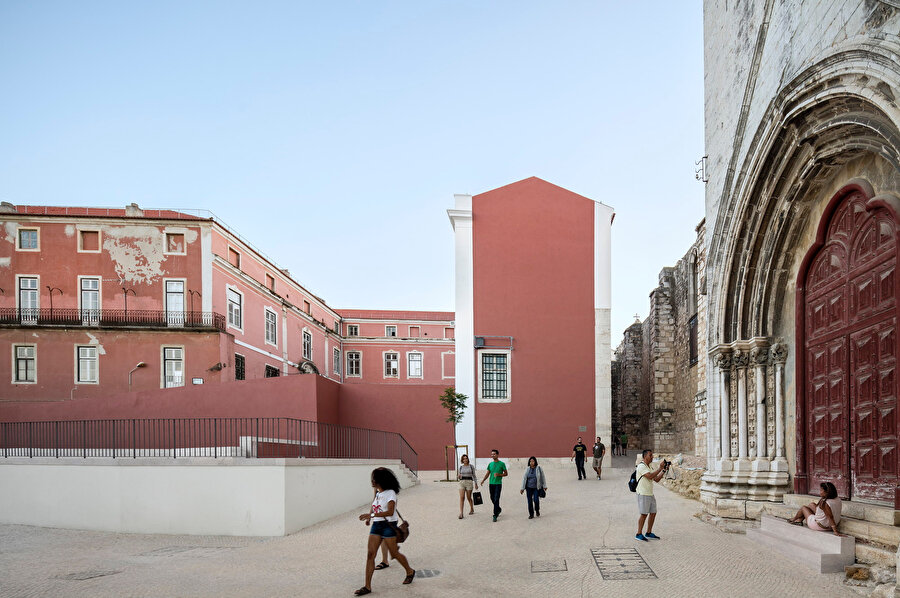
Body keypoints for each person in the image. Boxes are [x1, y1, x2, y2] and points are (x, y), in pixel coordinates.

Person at [355, 467, 415, 596]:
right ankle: (367, 586)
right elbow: (374, 506)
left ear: (381, 480)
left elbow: (390, 512)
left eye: (374, 479)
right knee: (370, 555)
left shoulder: (390, 493)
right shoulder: (378, 493)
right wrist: (370, 517)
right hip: (376, 526)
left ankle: (410, 571)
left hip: (388, 526)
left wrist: (370, 516)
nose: (372, 481)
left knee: (394, 554)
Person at [634, 449, 666, 542]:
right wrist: (659, 468)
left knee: (653, 513)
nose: (652, 457)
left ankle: (648, 532)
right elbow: (650, 476)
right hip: (643, 493)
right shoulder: (641, 466)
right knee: (644, 514)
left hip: (650, 493)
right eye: (650, 455)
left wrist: (663, 470)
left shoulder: (650, 466)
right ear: (645, 457)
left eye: (652, 455)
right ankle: (639, 533)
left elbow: (656, 479)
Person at [480, 449, 508, 522]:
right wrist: (483, 480)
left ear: (497, 455)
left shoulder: (502, 464)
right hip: (491, 484)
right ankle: (498, 509)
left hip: (498, 484)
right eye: (492, 454)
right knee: (492, 498)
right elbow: (488, 473)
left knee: (496, 498)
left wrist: (499, 474)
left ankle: (495, 515)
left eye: (494, 454)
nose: (493, 455)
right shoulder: (490, 464)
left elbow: (506, 473)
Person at [457, 453, 478, 519]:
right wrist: (459, 476)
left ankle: (472, 508)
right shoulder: (460, 467)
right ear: (462, 460)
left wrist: (476, 483)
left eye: (466, 458)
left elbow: (474, 476)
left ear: (468, 459)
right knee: (462, 497)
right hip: (462, 482)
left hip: (469, 482)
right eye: (464, 459)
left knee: (468, 497)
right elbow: (458, 477)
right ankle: (461, 513)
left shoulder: (471, 466)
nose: (465, 460)